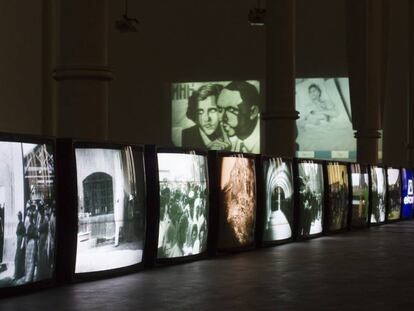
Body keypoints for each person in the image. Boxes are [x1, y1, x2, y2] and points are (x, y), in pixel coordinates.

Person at [182, 83, 230, 150]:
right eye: (200, 112)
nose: (206, 119)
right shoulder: (186, 135)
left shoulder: (232, 133)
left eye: (212, 110)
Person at [217, 81, 260, 153]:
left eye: (231, 109)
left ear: (253, 112)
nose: (222, 118)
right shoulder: (226, 143)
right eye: (220, 109)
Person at [14, 211, 26, 280]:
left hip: (21, 241)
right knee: (17, 258)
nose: (18, 217)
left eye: (19, 216)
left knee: (19, 258)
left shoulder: (22, 224)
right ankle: (17, 273)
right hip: (18, 241)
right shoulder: (19, 223)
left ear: (21, 216)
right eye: (18, 216)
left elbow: (24, 235)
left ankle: (19, 274)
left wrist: (22, 244)